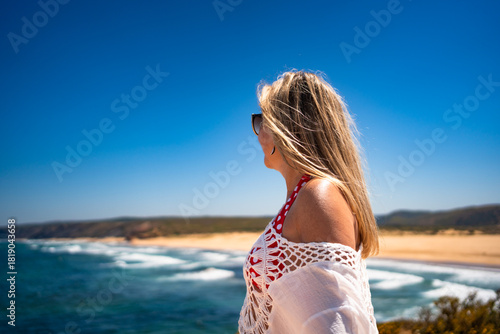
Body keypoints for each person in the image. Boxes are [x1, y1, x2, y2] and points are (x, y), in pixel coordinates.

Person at [238, 70, 379, 334]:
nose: (257, 134)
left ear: (288, 126)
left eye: (261, 120)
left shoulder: (318, 196)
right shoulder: (306, 197)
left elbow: (336, 326)